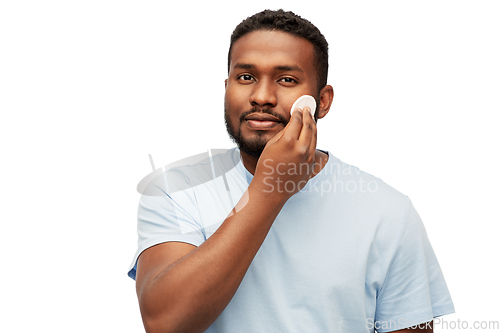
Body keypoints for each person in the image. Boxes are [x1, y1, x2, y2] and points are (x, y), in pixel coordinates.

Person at [128, 9, 454, 333]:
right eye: (246, 77)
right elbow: (165, 322)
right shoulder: (175, 190)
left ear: (322, 101)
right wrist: (269, 189)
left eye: (286, 80)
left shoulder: (389, 212)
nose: (262, 97)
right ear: (226, 87)